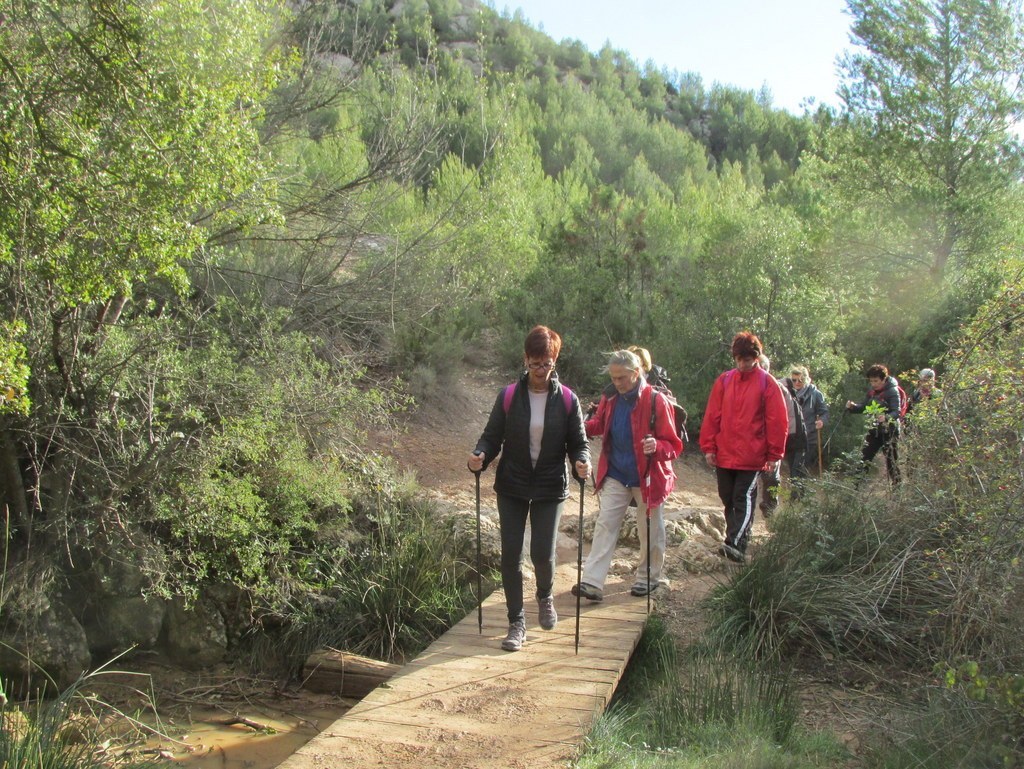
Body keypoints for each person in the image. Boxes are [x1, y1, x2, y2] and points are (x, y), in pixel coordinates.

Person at [468, 326, 591, 652]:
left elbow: (578, 443)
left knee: (542, 553)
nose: (540, 371)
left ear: (554, 362)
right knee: (511, 555)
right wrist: (480, 455)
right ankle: (516, 622)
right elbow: (492, 436)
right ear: (525, 360)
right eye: (535, 364)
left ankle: (545, 595)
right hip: (512, 484)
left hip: (550, 485)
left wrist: (581, 462)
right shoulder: (508, 396)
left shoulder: (567, 400)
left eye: (546, 364)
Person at [572, 349, 683, 602]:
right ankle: (592, 582)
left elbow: (673, 446)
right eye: (613, 377)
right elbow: (599, 424)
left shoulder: (657, 400)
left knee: (650, 529)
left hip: (648, 475)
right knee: (605, 524)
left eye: (621, 378)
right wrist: (577, 426)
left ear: (636, 373)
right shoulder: (611, 398)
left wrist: (657, 445)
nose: (616, 383)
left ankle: (647, 578)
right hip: (616, 473)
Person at [700, 332, 788, 563]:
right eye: (739, 359)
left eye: (747, 360)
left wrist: (774, 454)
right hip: (725, 452)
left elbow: (777, 421)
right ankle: (736, 537)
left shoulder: (767, 383)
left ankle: (736, 543)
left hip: (753, 455)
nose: (742, 364)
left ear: (756, 358)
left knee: (743, 496)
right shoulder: (725, 380)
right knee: (727, 497)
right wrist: (709, 447)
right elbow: (712, 415)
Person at [757, 353, 802, 517]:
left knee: (772, 480)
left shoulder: (779, 390)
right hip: (748, 441)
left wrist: (785, 442)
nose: (761, 371)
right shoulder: (739, 386)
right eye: (759, 366)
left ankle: (769, 512)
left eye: (765, 368)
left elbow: (788, 418)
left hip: (770, 443)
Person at [845, 363, 902, 485]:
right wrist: (853, 407)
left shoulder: (892, 391)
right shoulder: (872, 392)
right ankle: (853, 491)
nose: (873, 384)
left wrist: (886, 417)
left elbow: (897, 412)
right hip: (874, 430)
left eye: (876, 381)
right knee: (864, 459)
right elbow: (864, 407)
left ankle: (898, 491)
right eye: (871, 381)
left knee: (891, 462)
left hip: (890, 431)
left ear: (884, 379)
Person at [787, 365, 829, 482]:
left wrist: (821, 421)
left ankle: (796, 497)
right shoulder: (789, 393)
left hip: (808, 438)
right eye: (794, 380)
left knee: (798, 469)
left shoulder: (815, 394)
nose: (797, 382)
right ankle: (800, 497)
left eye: (800, 380)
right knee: (793, 470)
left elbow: (824, 412)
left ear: (806, 379)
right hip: (792, 437)